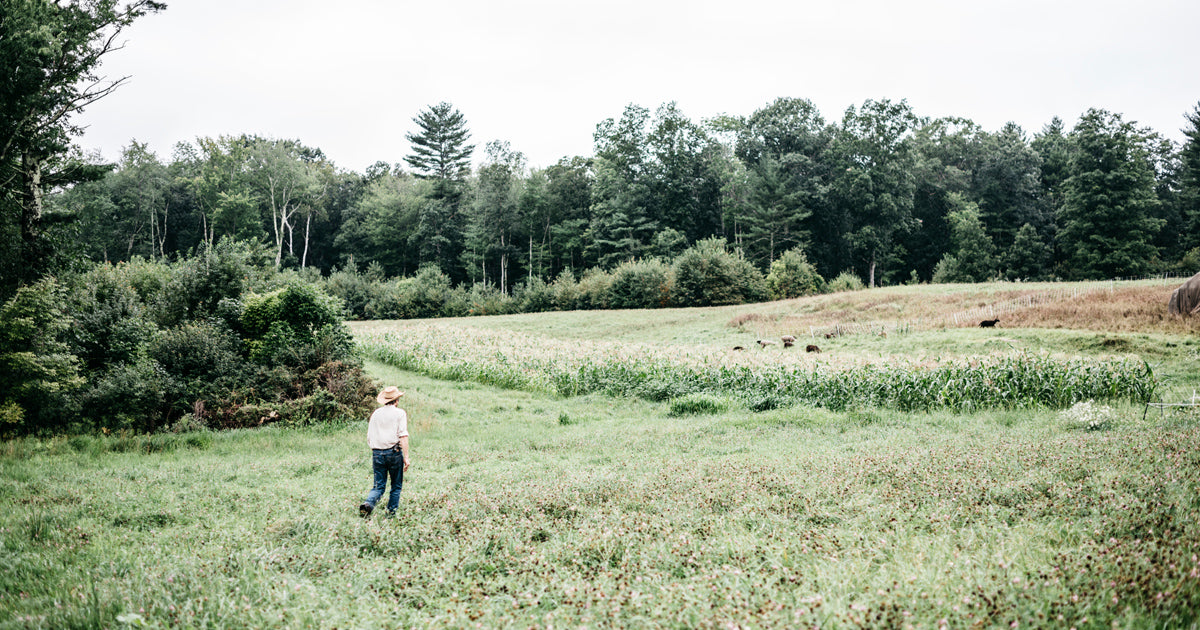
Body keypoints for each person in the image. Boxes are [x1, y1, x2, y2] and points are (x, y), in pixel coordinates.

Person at [360, 386, 411, 517]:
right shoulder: (400, 413)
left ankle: (368, 504)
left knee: (378, 486)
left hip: (377, 453)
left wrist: (376, 449)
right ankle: (390, 513)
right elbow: (403, 436)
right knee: (396, 485)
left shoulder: (376, 413)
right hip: (394, 452)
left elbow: (369, 436)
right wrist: (406, 457)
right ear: (397, 400)